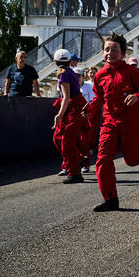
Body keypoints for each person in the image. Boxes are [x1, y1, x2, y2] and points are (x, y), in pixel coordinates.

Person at [82, 33, 139, 212]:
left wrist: (137, 96)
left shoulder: (132, 72)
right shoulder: (99, 75)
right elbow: (99, 97)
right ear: (103, 53)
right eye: (107, 49)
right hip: (110, 121)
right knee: (103, 159)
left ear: (122, 54)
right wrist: (88, 108)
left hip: (132, 120)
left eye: (114, 50)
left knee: (131, 160)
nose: (110, 53)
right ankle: (111, 199)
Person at [51, 48, 88, 184]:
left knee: (66, 141)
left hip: (73, 110)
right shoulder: (70, 71)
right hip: (74, 108)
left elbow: (66, 97)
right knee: (58, 138)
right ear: (69, 61)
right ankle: (78, 159)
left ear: (55, 62)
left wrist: (59, 115)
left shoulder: (64, 74)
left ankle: (75, 173)